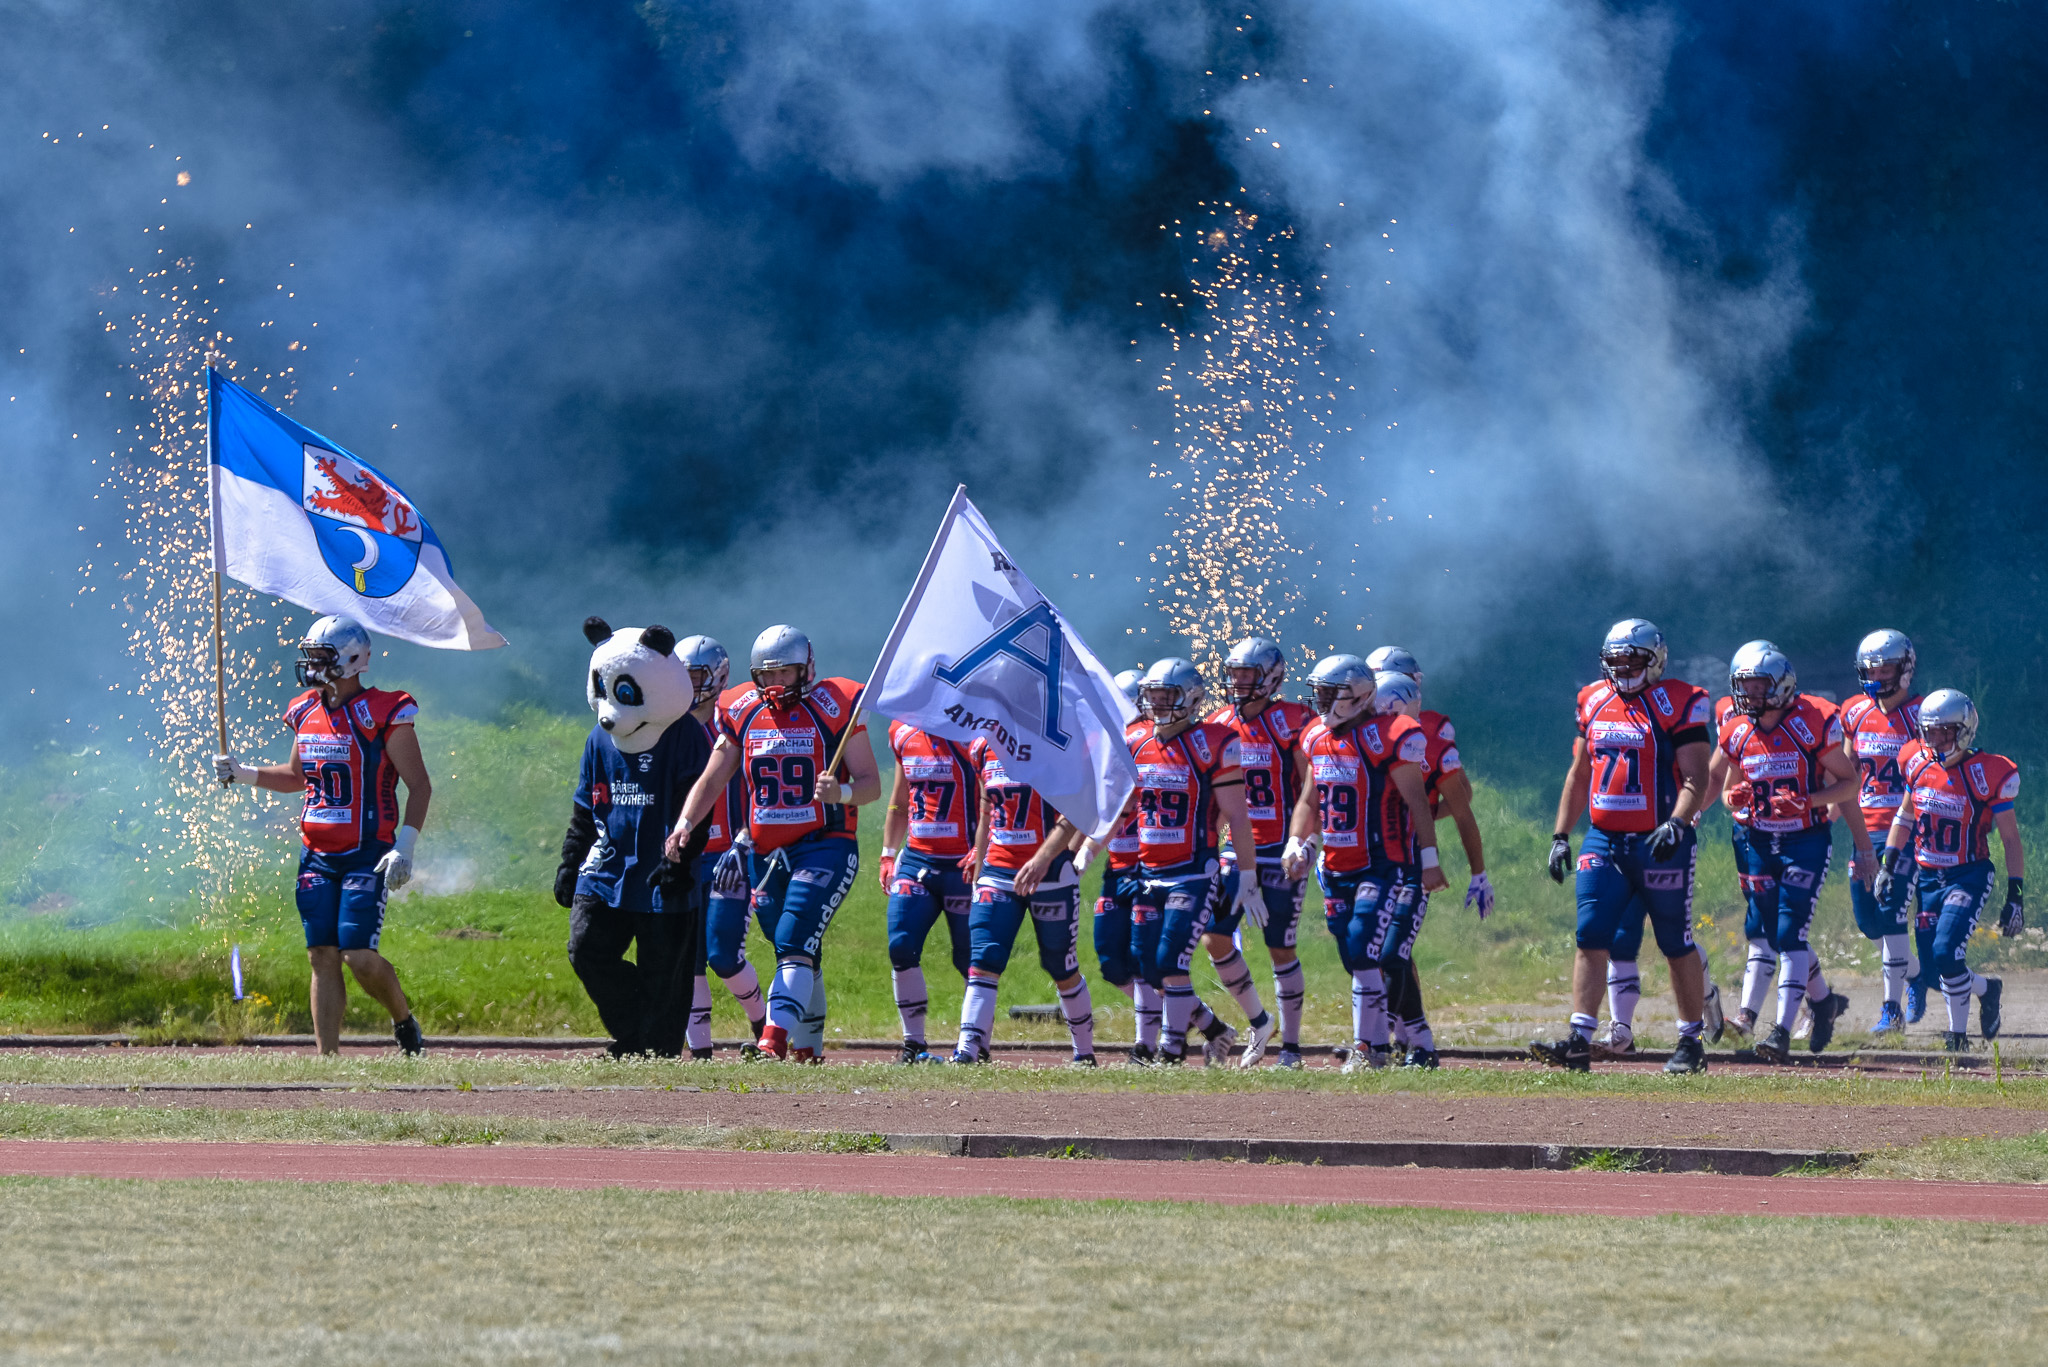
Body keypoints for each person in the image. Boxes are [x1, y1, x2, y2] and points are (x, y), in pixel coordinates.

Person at [214, 615, 430, 1056]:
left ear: (353, 660)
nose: (312, 665)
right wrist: (244, 773)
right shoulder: (305, 710)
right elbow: (296, 776)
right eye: (310, 656)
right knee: (322, 956)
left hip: (366, 851)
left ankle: (403, 1021)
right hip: (315, 853)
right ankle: (326, 1058)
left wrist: (404, 845)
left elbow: (420, 785)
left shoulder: (385, 711)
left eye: (322, 657)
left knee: (359, 957)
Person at [665, 625, 878, 1062]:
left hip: (824, 842)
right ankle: (808, 1049)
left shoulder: (833, 705)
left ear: (807, 669)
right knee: (796, 949)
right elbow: (713, 776)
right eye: (768, 676)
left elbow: (871, 783)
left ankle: (773, 1040)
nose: (776, 684)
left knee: (793, 937)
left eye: (786, 674)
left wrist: (841, 793)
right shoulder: (742, 710)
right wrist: (686, 822)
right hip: (767, 854)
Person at [1535, 619, 1713, 1074]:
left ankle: (1691, 1041)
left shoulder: (1680, 701)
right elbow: (1580, 774)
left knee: (1675, 940)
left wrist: (1677, 822)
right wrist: (1560, 834)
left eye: (1632, 659)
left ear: (1654, 661)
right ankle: (1579, 1038)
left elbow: (1697, 776)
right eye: (1615, 660)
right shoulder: (1593, 699)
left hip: (1660, 839)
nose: (1623, 668)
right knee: (1591, 933)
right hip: (1604, 838)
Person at [1282, 659, 1448, 1071]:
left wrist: (1429, 860)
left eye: (1329, 692)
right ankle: (1378, 1047)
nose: (1320, 700)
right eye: (1318, 691)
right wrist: (1296, 842)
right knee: (1352, 957)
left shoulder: (1388, 735)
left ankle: (1366, 1048)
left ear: (1359, 696)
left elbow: (1419, 807)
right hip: (1337, 866)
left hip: (1382, 863)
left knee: (1364, 951)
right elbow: (1309, 799)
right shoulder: (1316, 735)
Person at [1706, 642, 1869, 1063]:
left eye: (1759, 686)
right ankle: (1823, 1004)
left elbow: (1848, 784)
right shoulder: (1737, 728)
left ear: (1781, 685)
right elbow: (1728, 793)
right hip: (1759, 841)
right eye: (1744, 686)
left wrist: (1808, 801)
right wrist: (1735, 797)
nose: (1750, 695)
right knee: (1764, 932)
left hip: (1804, 842)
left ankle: (1779, 1030)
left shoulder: (1810, 722)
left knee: (1789, 933)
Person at [556, 619, 711, 1058]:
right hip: (606, 869)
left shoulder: (685, 736)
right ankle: (632, 1031)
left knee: (666, 971)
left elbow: (699, 803)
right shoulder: (598, 739)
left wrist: (682, 860)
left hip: (665, 873)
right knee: (586, 951)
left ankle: (655, 1049)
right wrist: (570, 862)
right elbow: (585, 806)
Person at [1119, 658, 1267, 1065]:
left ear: (1191, 698)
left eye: (1167, 696)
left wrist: (1249, 874)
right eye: (1153, 696)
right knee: (1146, 965)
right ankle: (1204, 1032)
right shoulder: (1137, 741)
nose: (1159, 704)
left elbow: (1236, 814)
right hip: (1149, 872)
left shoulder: (1214, 741)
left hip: (1194, 870)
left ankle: (1169, 1049)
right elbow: (1126, 807)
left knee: (1171, 960)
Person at [1875, 689, 2023, 1051]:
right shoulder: (1917, 761)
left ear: (1965, 729)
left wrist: (2015, 895)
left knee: (1945, 952)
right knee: (1932, 967)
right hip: (1928, 877)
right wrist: (1888, 864)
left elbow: (2011, 841)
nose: (1937, 739)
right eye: (1931, 731)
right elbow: (1905, 816)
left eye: (1945, 731)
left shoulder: (1988, 772)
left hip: (1968, 874)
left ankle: (1958, 1037)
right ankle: (1988, 989)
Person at [1366, 645, 1489, 1069]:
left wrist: (1424, 834)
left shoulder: (1432, 737)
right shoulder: (1351, 734)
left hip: (1408, 859)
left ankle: (1403, 1040)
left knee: (1391, 952)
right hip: (1366, 859)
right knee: (1375, 951)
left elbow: (1460, 801)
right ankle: (1399, 1038)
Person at [1202, 637, 1314, 1068]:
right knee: (1214, 936)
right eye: (1234, 673)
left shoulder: (1292, 720)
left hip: (1281, 850)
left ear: (1270, 676)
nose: (1238, 681)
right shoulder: (1218, 722)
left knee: (1279, 946)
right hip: (1237, 851)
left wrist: (1303, 841)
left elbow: (1311, 786)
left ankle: (1292, 1048)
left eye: (1247, 673)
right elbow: (1214, 798)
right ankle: (1259, 1021)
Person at [952, 740, 1094, 1065]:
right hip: (998, 870)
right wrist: (979, 855)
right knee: (984, 957)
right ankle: (968, 1051)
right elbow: (987, 806)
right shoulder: (982, 746)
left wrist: (1043, 858)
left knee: (1061, 966)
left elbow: (1075, 811)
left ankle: (1084, 1054)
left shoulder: (1054, 745)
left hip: (1051, 871)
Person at [676, 635, 767, 1059]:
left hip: (732, 854)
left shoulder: (737, 721)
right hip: (688, 856)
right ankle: (701, 1051)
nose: (687, 684)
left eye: (694, 675)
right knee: (689, 958)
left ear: (718, 675)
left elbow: (761, 788)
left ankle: (762, 1024)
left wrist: (747, 838)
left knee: (722, 955)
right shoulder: (666, 728)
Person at [879, 721, 982, 1064]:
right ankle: (913, 1043)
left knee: (970, 959)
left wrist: (982, 849)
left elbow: (992, 797)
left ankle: (974, 1043)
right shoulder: (903, 732)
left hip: (962, 862)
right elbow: (899, 799)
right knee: (901, 945)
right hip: (917, 859)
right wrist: (888, 852)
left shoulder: (972, 737)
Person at [1839, 629, 1925, 1033]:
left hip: (1906, 829)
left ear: (1905, 668)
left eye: (1885, 666)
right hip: (1865, 826)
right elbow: (1846, 771)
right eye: (1870, 667)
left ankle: (1891, 1012)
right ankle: (1917, 975)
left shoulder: (1924, 714)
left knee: (1890, 914)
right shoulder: (1854, 710)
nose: (1877, 675)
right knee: (1867, 921)